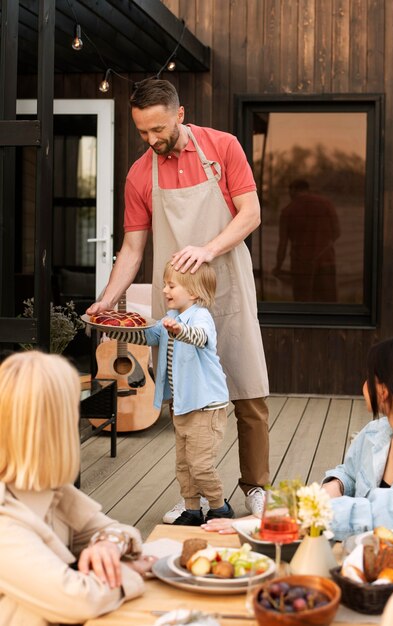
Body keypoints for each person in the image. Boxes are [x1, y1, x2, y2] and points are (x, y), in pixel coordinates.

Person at [87, 78, 270, 521]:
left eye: (158, 130)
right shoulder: (138, 174)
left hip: (226, 285)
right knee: (182, 395)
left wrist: (207, 249)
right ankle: (196, 496)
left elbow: (250, 213)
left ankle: (256, 486)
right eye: (142, 132)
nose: (151, 140)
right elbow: (133, 248)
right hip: (173, 300)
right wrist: (106, 299)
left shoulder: (223, 149)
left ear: (180, 115)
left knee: (248, 391)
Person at [203, 337, 393, 541]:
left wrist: (285, 515)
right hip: (360, 555)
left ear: (383, 390)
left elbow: (371, 515)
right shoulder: (375, 433)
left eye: (368, 378)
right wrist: (328, 491)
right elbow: (349, 476)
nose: (364, 385)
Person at [0, 350, 155, 626]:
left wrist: (109, 544)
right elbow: (77, 598)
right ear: (54, 427)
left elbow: (118, 530)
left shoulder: (45, 486)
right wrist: (129, 571)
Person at [106, 261, 233, 526]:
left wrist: (180, 331)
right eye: (165, 284)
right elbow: (147, 335)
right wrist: (111, 327)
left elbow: (201, 338)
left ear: (195, 292)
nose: (165, 290)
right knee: (184, 465)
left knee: (200, 465)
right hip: (183, 405)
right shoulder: (172, 317)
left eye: (171, 285)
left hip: (206, 406)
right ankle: (192, 509)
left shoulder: (200, 317)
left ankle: (220, 507)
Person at [273, 179, 340, 302]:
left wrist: (278, 266)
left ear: (293, 190)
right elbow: (337, 233)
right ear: (307, 189)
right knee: (329, 304)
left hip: (301, 265)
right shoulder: (326, 204)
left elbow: (283, 244)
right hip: (326, 261)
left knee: (303, 304)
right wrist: (323, 247)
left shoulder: (288, 211)